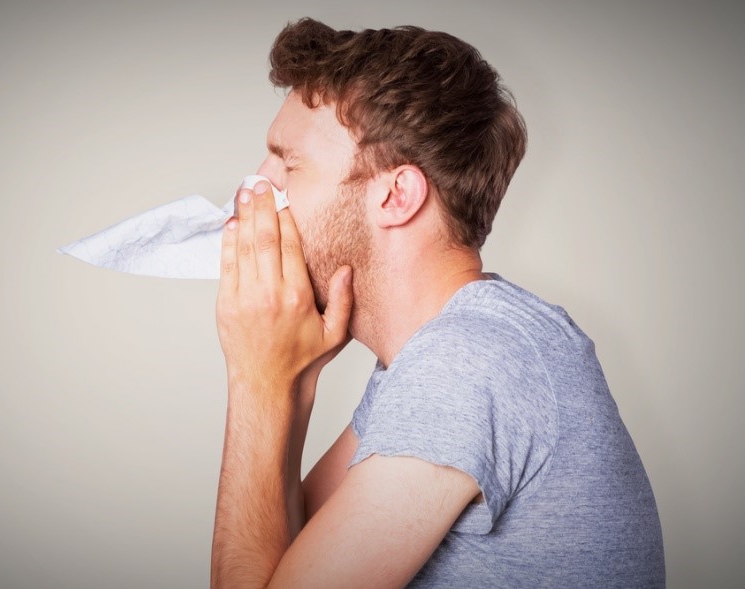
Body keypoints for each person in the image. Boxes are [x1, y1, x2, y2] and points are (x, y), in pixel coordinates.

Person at [210, 18, 665, 588]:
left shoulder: (470, 361)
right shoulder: (446, 353)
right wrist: (290, 381)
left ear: (396, 196)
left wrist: (255, 380)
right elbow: (286, 554)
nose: (257, 186)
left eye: (289, 163)